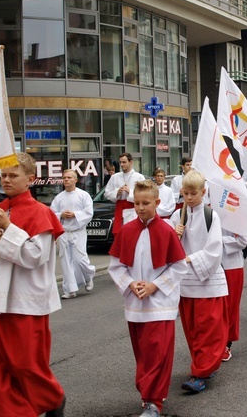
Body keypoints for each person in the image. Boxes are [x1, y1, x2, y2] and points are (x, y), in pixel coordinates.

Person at [0, 152, 66, 416]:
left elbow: (36, 256)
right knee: (2, 369)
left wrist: (9, 228)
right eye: (3, 175)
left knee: (27, 364)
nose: (6, 180)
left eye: (13, 175)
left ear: (30, 179)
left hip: (28, 300)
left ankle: (53, 399)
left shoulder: (41, 212)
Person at [108, 180, 187, 417]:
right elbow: (116, 266)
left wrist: (155, 285)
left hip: (160, 303)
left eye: (146, 203)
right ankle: (147, 396)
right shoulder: (127, 230)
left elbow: (179, 266)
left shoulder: (166, 231)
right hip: (135, 303)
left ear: (157, 203)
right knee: (143, 354)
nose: (140, 207)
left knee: (158, 353)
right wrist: (131, 283)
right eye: (137, 203)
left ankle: (154, 402)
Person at [169, 170, 227, 393]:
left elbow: (214, 250)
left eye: (194, 193)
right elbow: (167, 248)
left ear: (204, 192)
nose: (189, 198)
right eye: (185, 194)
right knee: (192, 329)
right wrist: (175, 236)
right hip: (186, 283)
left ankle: (201, 373)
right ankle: (201, 365)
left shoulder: (211, 216)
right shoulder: (177, 217)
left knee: (208, 329)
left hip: (207, 281)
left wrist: (189, 258)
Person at [51, 169, 96, 299]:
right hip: (64, 232)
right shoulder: (59, 197)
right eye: (64, 178)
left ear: (75, 180)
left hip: (78, 231)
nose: (66, 180)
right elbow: (52, 214)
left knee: (80, 259)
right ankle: (69, 289)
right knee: (66, 261)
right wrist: (61, 215)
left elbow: (89, 213)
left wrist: (75, 214)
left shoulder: (83, 195)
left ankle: (88, 276)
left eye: (69, 177)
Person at [105, 153, 146, 235]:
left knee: (132, 233)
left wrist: (130, 191)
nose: (121, 164)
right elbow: (107, 193)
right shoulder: (115, 177)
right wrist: (117, 193)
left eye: (124, 162)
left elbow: (144, 195)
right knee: (120, 234)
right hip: (119, 208)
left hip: (133, 210)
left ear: (131, 162)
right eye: (120, 162)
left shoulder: (139, 177)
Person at [221, 230, 246, 360]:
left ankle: (226, 343)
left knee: (230, 306)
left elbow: (242, 241)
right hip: (207, 264)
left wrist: (217, 240)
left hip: (232, 264)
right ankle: (211, 343)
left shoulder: (236, 212)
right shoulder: (202, 212)